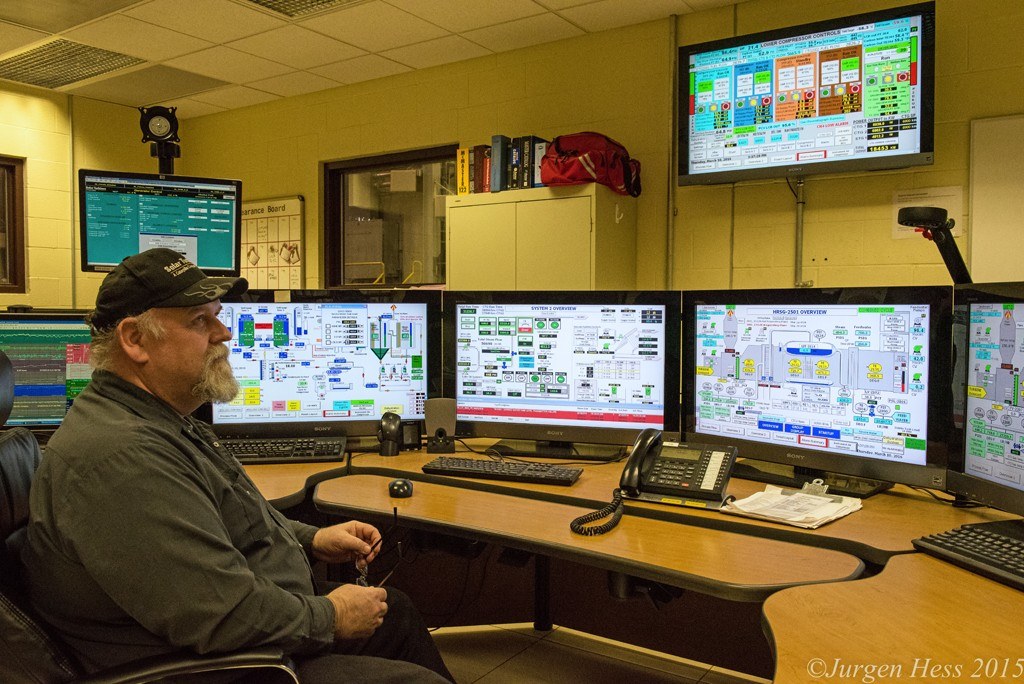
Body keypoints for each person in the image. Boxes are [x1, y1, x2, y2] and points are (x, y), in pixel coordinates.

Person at [22, 248, 453, 683]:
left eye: (218, 315)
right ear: (134, 340)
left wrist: (312, 538)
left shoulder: (159, 418)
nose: (224, 333)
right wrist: (329, 617)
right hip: (212, 666)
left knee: (392, 611)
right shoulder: (121, 457)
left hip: (241, 626)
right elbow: (218, 613)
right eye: (199, 321)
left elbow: (228, 520)